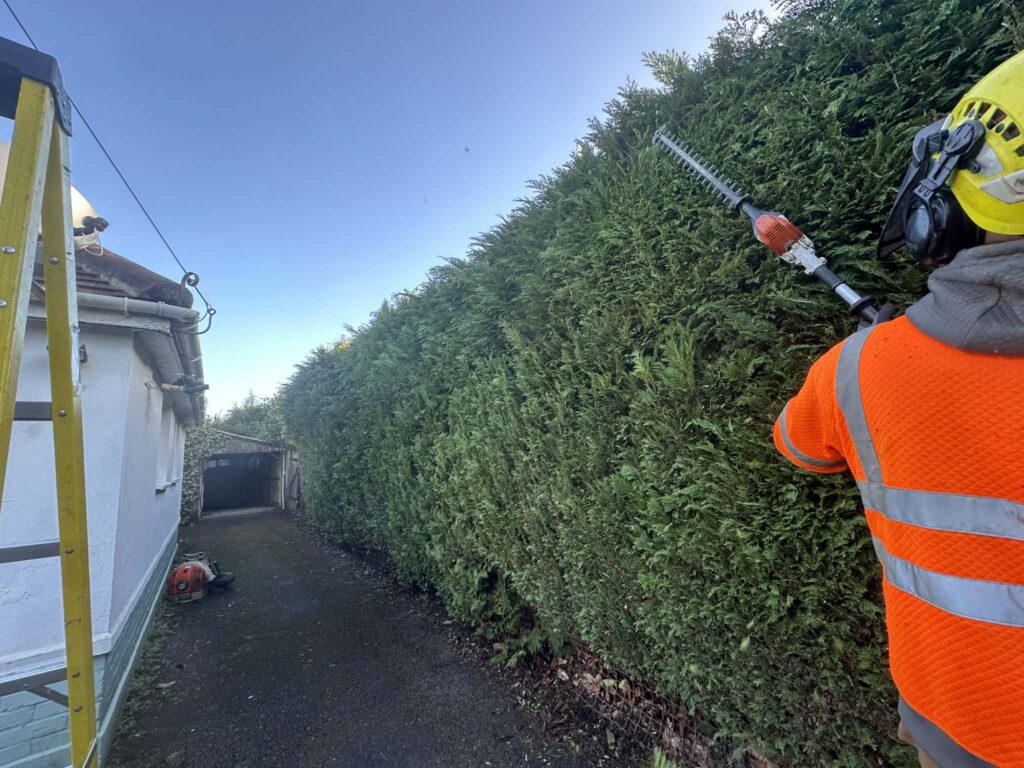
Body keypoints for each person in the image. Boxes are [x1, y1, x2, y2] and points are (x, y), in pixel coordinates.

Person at [773, 51, 1024, 768]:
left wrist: (881, 356)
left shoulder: (855, 372)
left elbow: (796, 444)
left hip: (954, 725)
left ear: (939, 210)